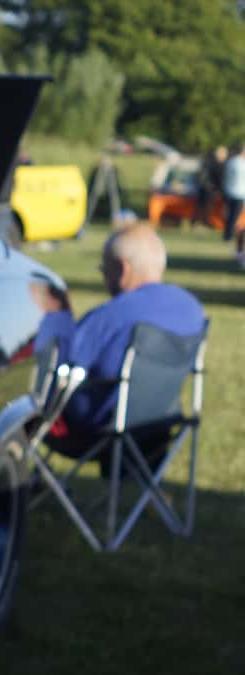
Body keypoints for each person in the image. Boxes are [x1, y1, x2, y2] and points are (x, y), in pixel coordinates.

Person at [49, 222, 203, 463]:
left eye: (104, 270)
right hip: (158, 426)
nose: (103, 278)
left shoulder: (107, 317)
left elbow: (58, 365)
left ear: (123, 269)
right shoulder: (192, 309)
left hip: (99, 432)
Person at [223, 144, 245, 262]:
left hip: (229, 191)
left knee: (230, 216)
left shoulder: (231, 162)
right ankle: (231, 237)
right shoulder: (241, 163)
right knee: (237, 219)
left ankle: (228, 235)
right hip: (239, 193)